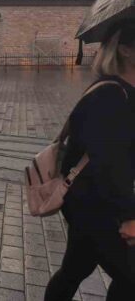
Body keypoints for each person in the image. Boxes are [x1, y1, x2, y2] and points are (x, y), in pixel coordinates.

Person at [45, 22, 135, 301]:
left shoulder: (124, 92)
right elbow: (109, 163)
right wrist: (129, 217)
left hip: (90, 203)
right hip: (97, 204)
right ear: (126, 50)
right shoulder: (110, 95)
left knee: (75, 269)